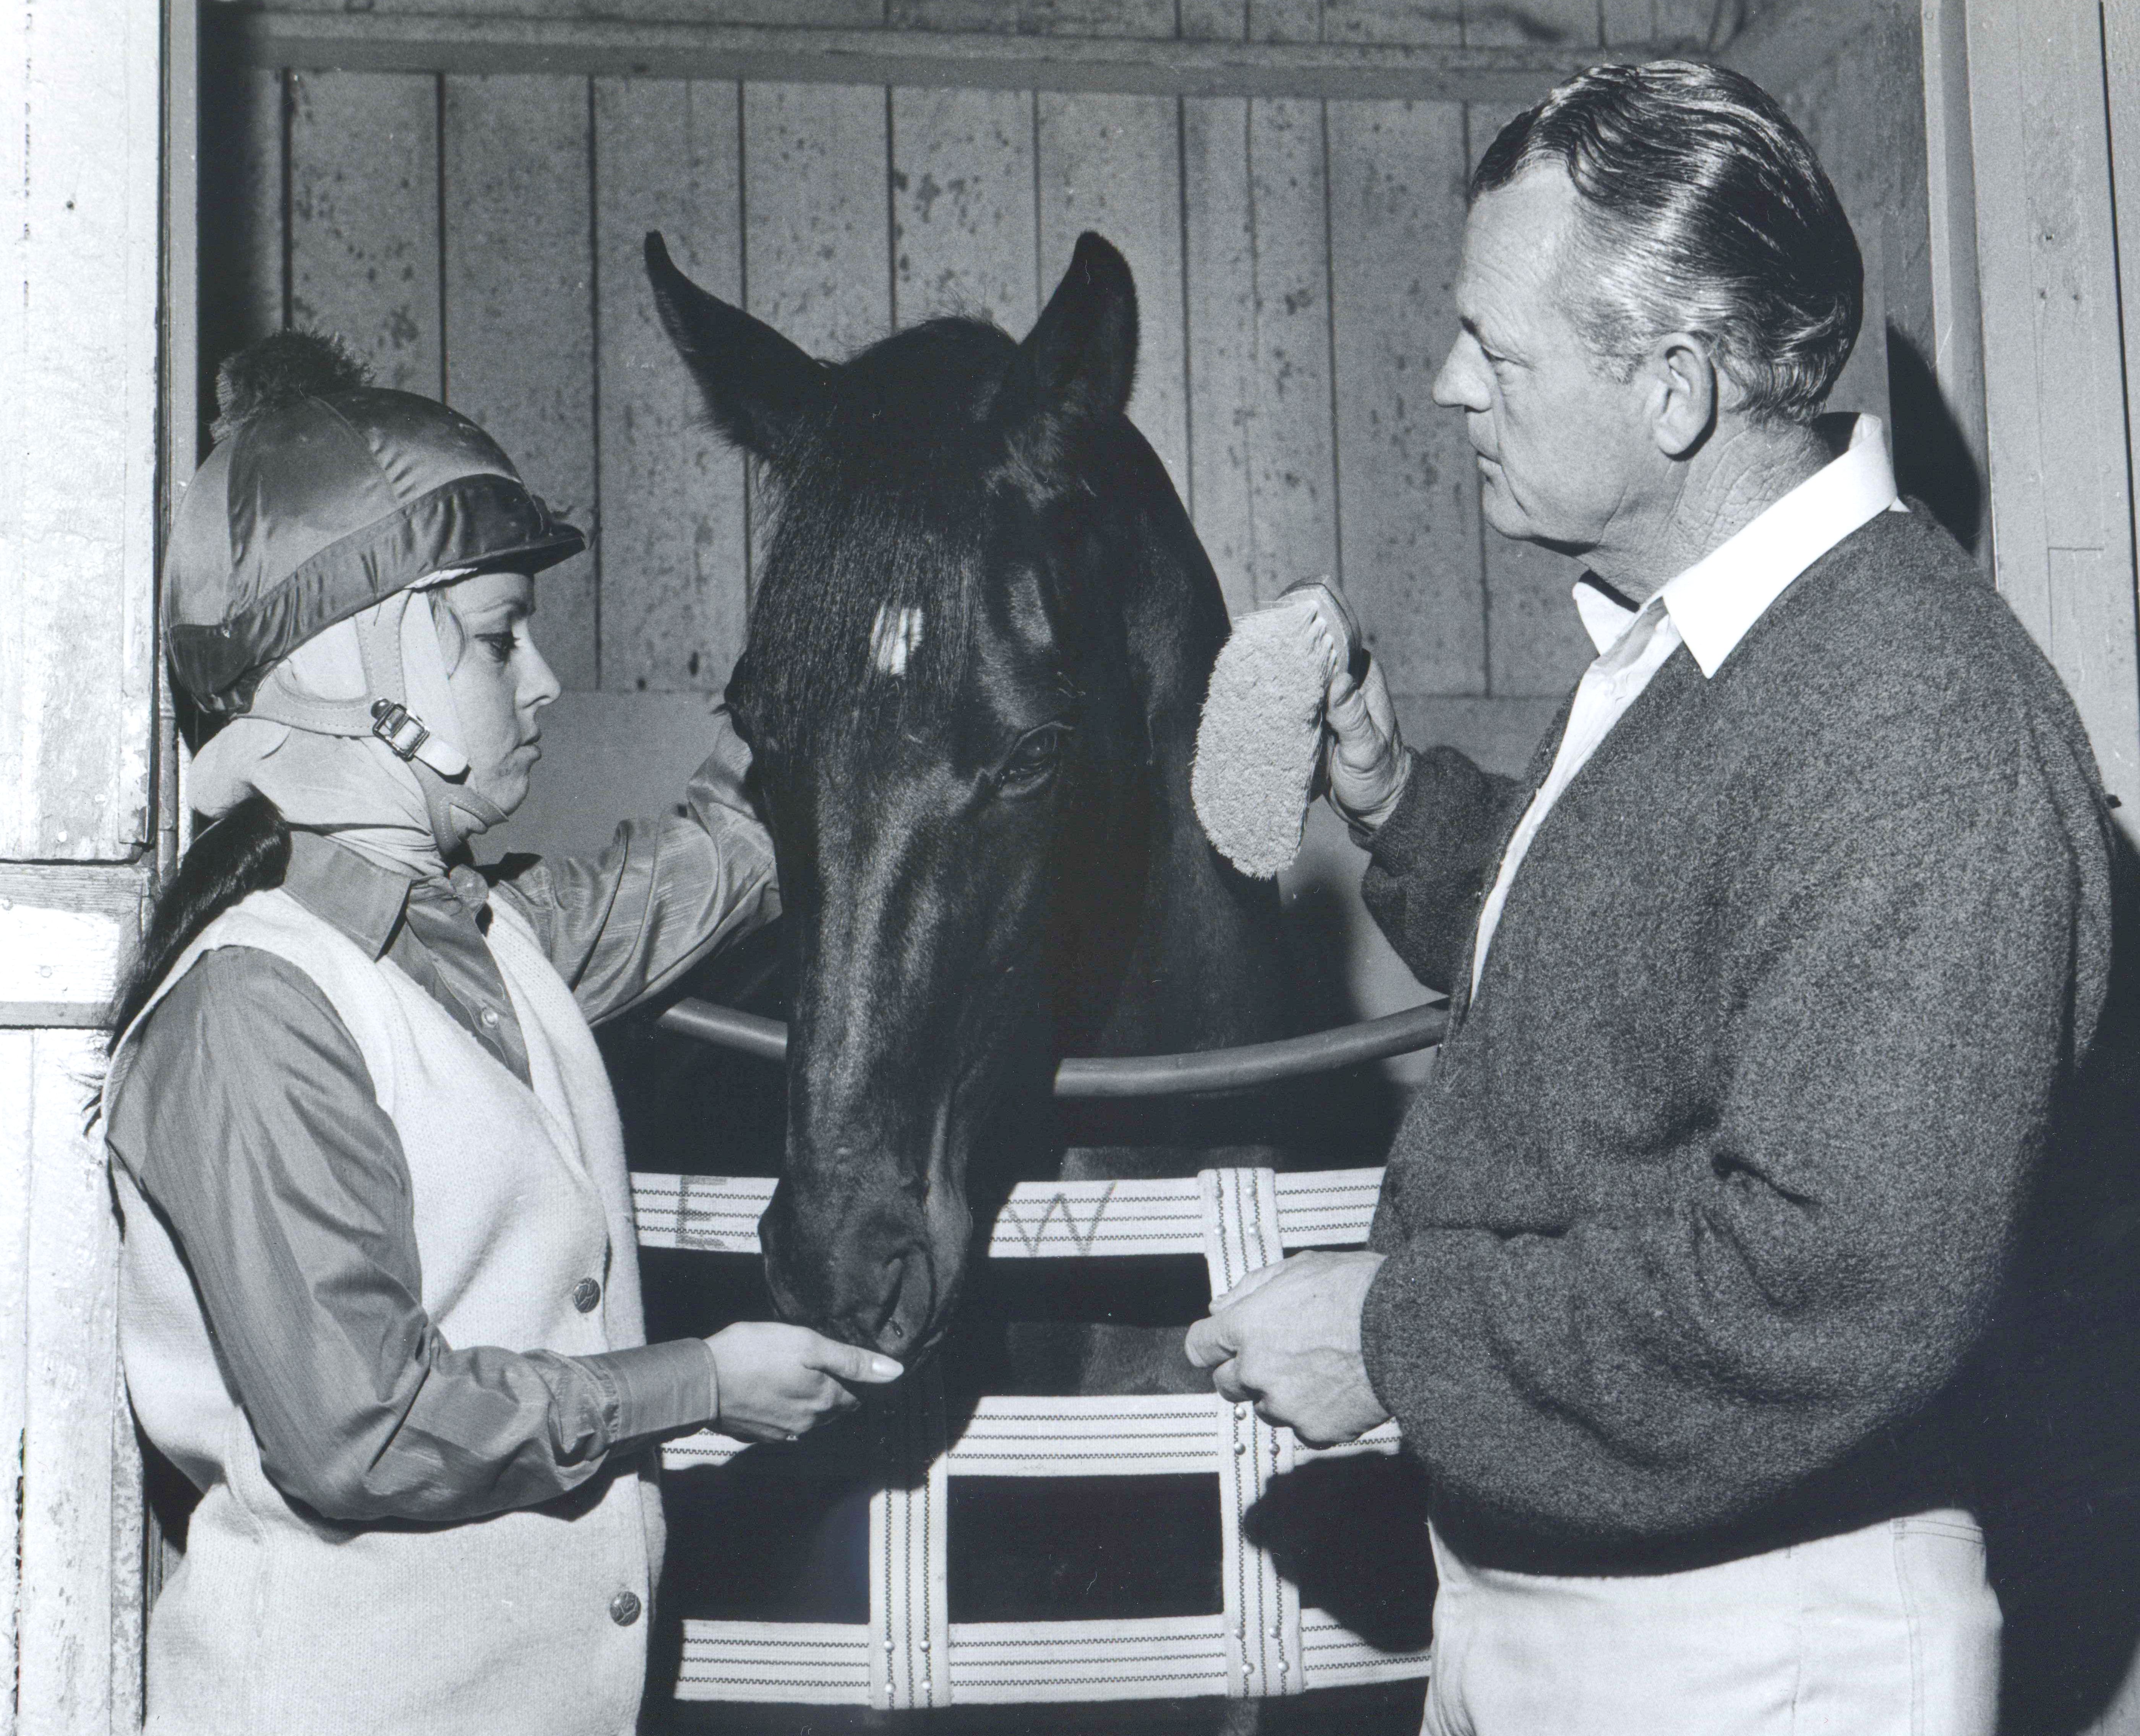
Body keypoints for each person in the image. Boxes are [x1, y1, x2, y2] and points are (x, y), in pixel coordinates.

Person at [1187, 60, 2116, 1736]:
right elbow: (1625, 970)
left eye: (1497, 347)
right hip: (1570, 1604)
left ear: (1674, 388)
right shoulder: (1712, 647)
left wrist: (1396, 1337)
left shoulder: (1914, 721)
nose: (1444, 383)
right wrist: (1394, 796)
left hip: (1754, 1647)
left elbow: (1824, 1284)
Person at [101, 332, 901, 1736]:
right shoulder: (252, 1012)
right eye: (496, 636)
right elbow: (367, 1431)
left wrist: (845, 644)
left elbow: (713, 862)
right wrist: (704, 1384)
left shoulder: (490, 938)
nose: (539, 683)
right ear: (363, 675)